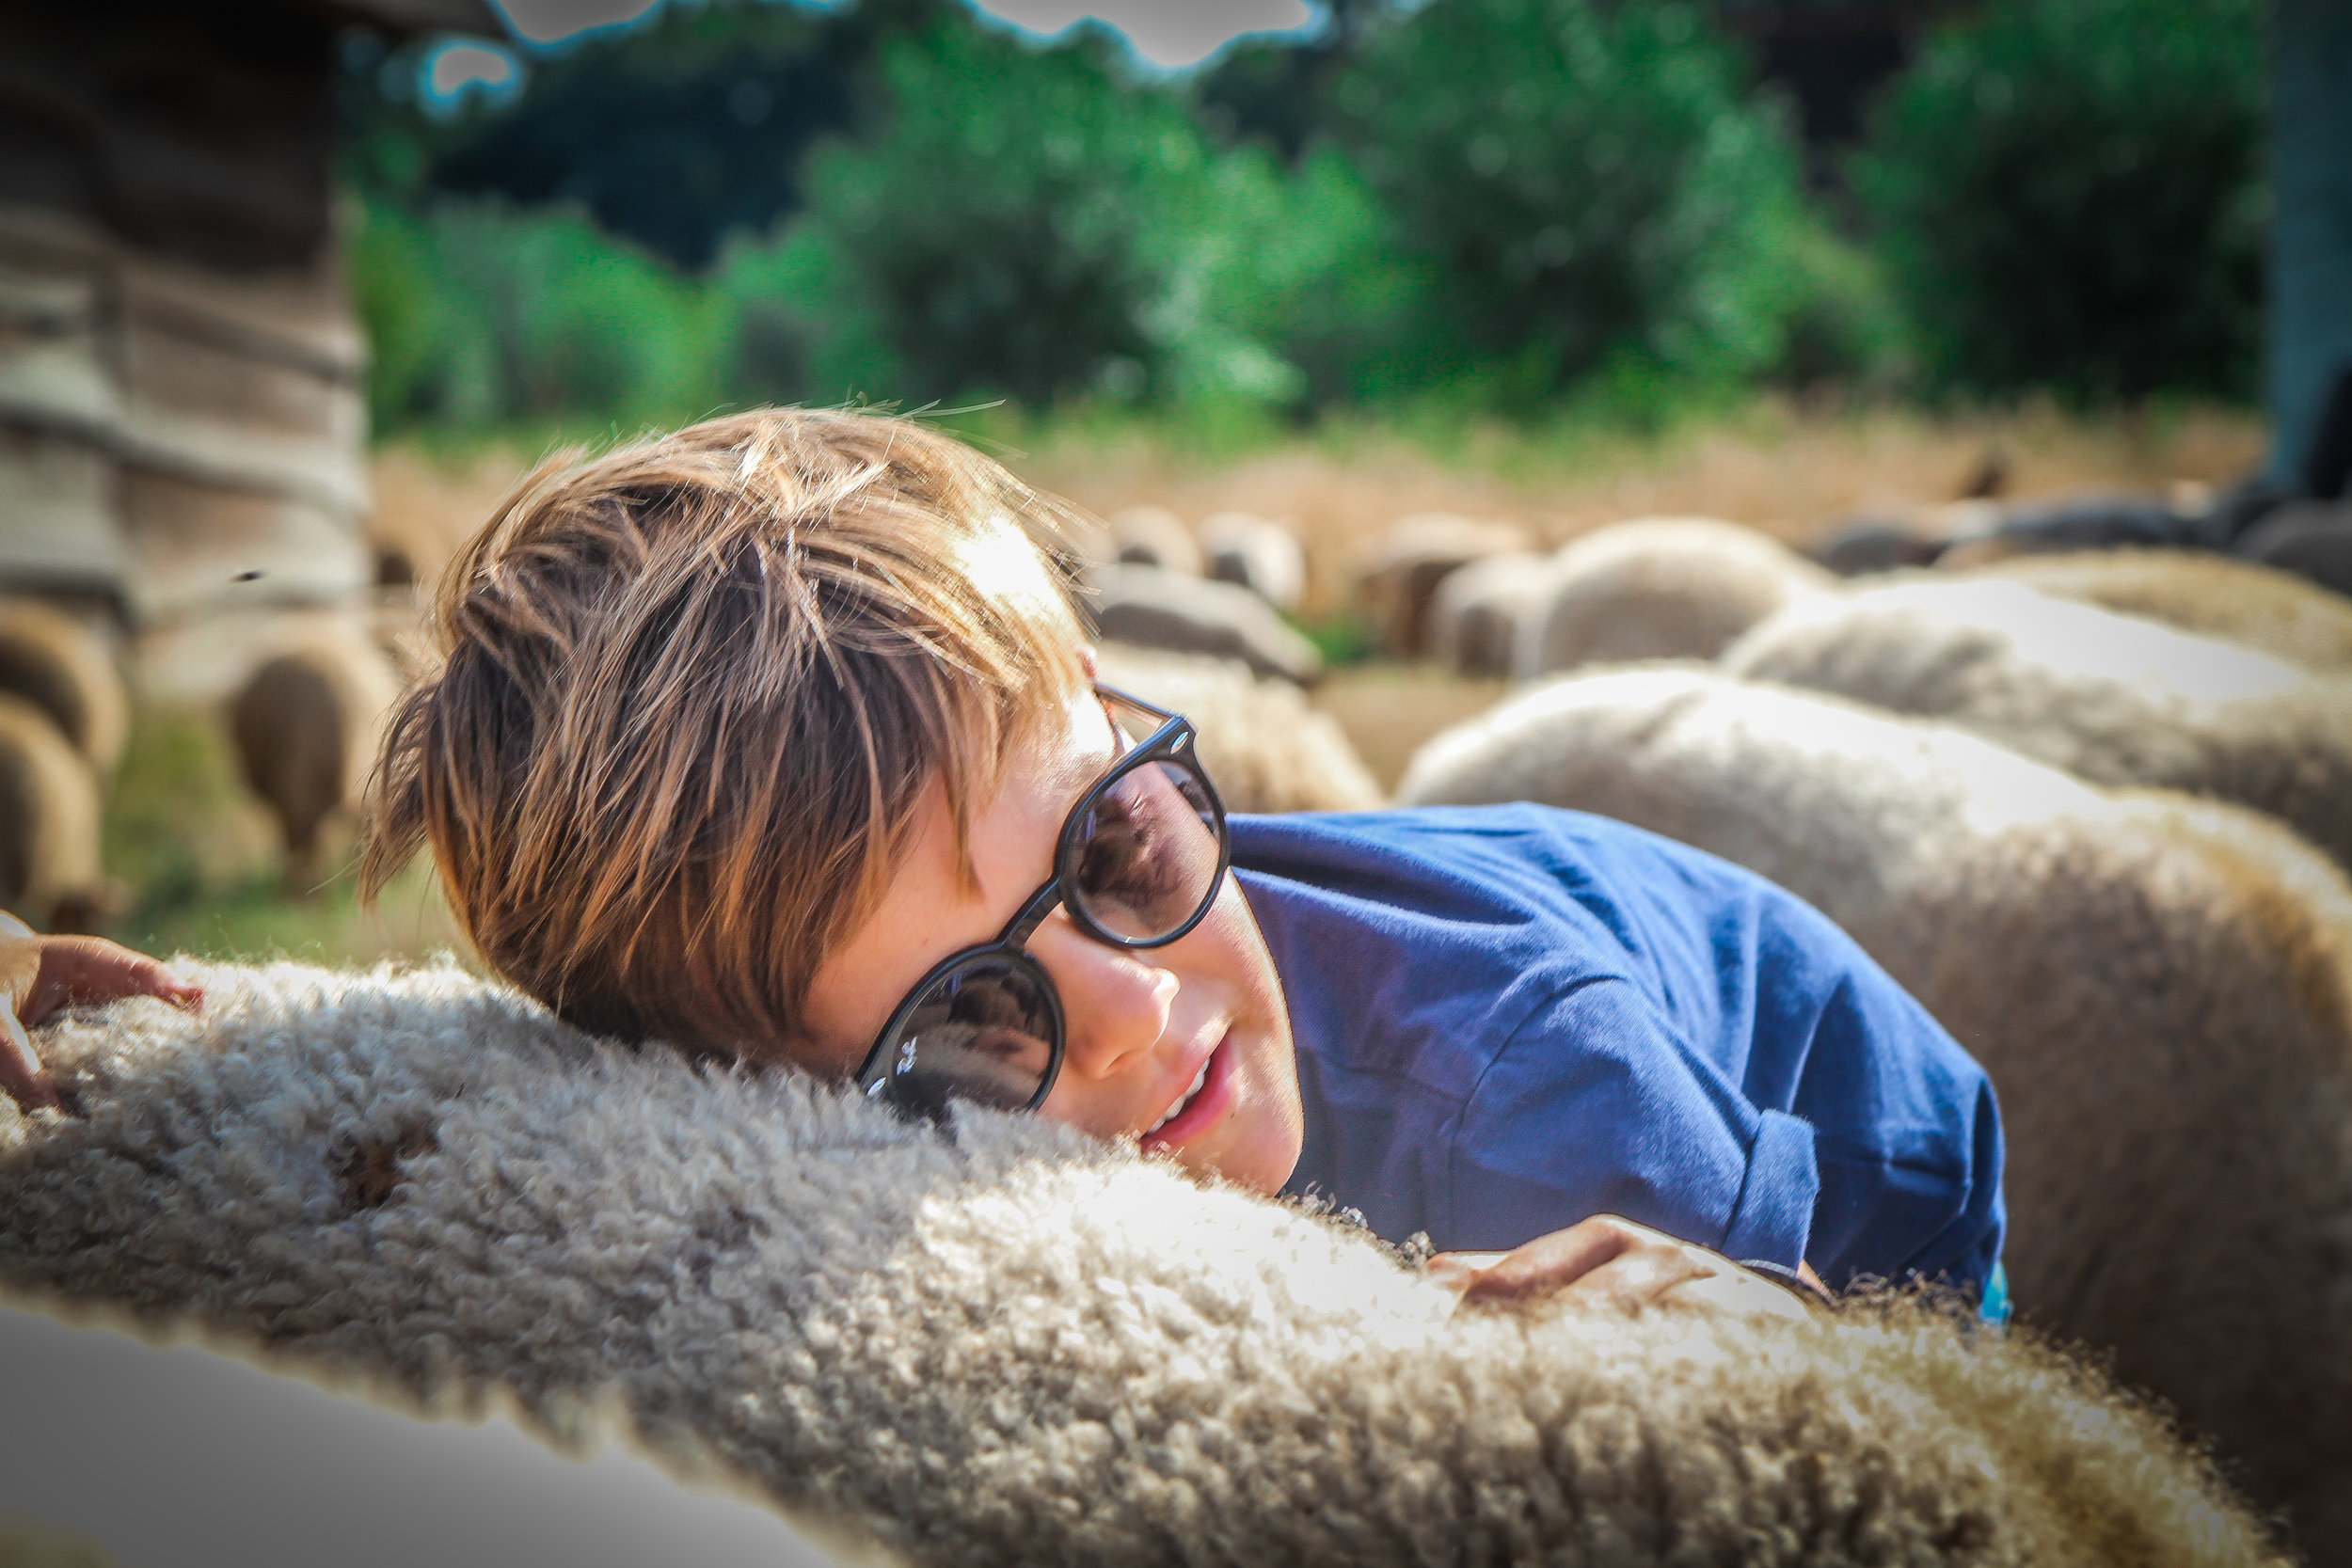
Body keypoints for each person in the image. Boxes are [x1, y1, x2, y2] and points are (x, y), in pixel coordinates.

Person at [21, 408, 2004, 1322]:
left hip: (1843, 1139)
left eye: (1118, 841)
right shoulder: (801, 1034)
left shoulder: (1539, 1089)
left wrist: (1774, 1319)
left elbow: (1819, 1411)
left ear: (1125, 704)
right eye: (976, 1032)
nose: (1137, 1021)